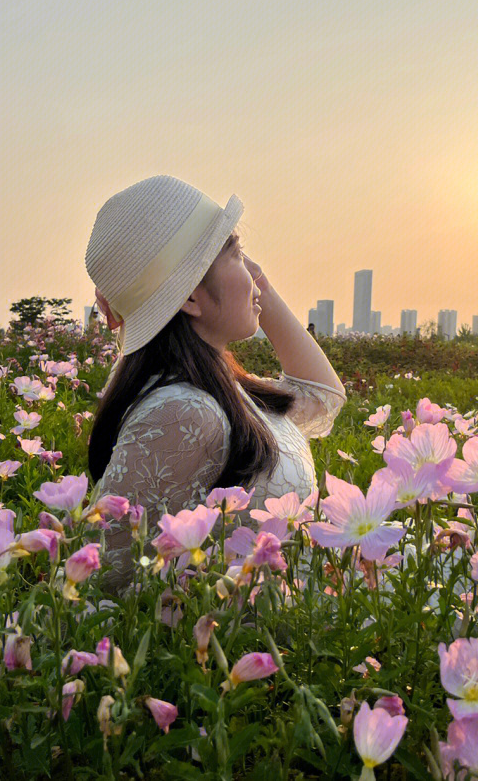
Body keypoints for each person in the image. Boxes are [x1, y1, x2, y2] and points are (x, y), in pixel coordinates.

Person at [85, 175, 347, 594]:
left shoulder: (218, 386)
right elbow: (108, 577)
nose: (255, 276)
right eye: (236, 254)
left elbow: (323, 398)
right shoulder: (184, 410)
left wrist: (249, 276)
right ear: (190, 298)